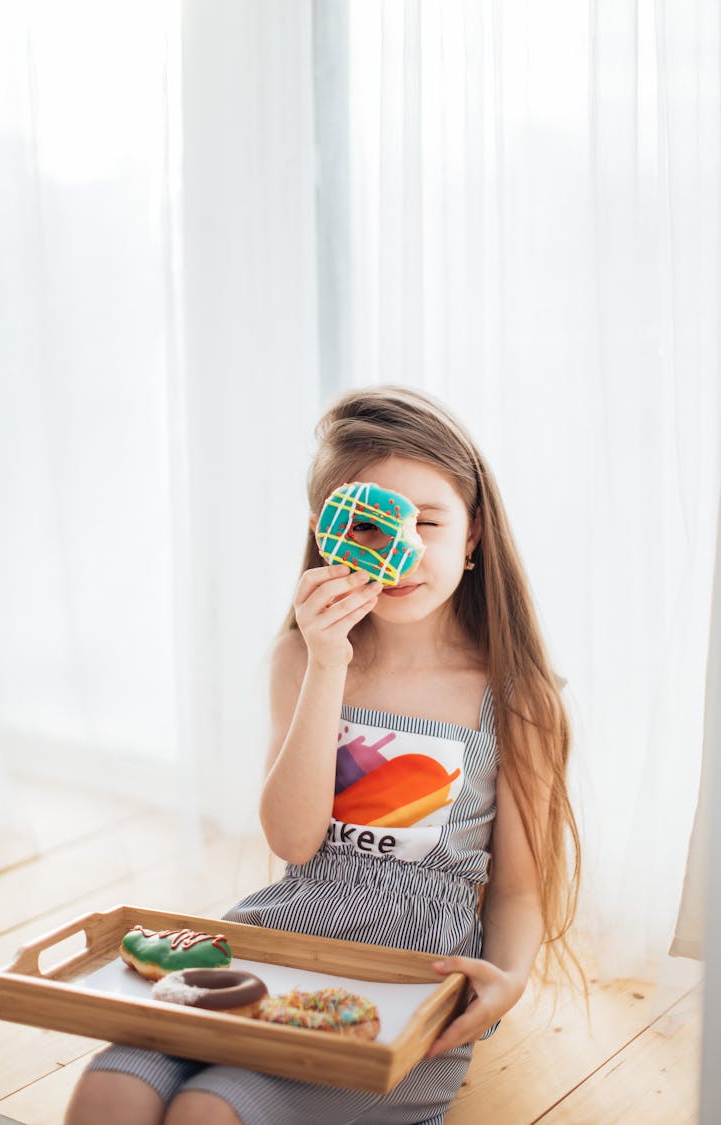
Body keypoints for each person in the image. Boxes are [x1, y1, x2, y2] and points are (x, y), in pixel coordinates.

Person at [66, 385, 582, 1125]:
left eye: (428, 523)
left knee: (211, 1110)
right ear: (324, 532)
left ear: (472, 538)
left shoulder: (518, 695)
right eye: (369, 527)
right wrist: (327, 663)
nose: (397, 552)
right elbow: (293, 838)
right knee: (112, 1087)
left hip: (409, 974)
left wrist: (507, 979)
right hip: (282, 937)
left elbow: (521, 890)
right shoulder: (301, 657)